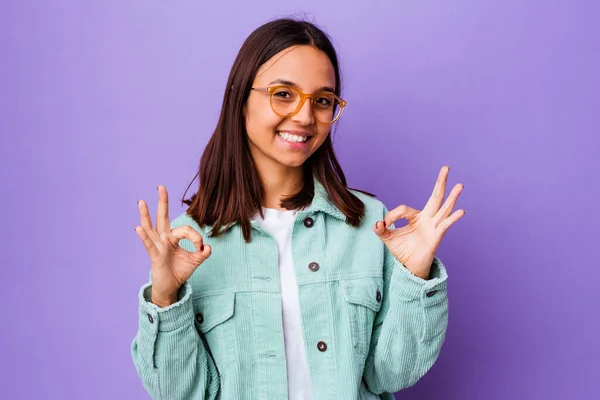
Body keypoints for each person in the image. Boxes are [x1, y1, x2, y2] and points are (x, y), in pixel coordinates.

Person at [131, 17, 465, 400]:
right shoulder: (188, 241)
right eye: (284, 94)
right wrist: (165, 299)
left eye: (322, 101)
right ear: (241, 98)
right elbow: (181, 392)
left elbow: (390, 374)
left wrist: (415, 276)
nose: (305, 117)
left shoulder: (372, 223)